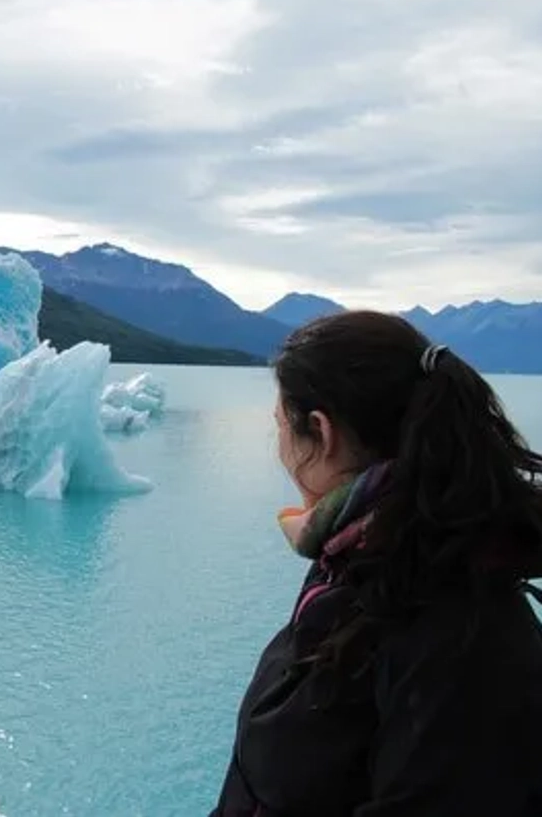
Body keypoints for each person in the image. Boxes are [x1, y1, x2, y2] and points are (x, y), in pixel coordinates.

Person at [211, 310, 542, 817]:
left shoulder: (457, 630)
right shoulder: (367, 555)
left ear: (320, 433)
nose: (278, 444)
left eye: (280, 425)